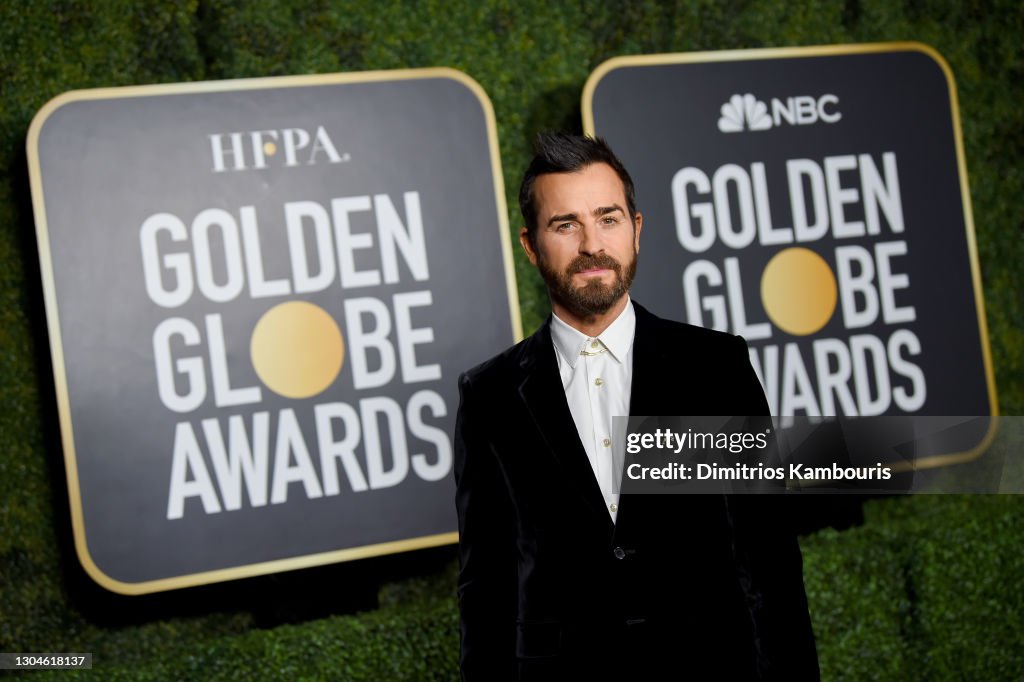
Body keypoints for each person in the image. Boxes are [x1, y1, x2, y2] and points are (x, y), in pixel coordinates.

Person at [453, 133, 819, 680]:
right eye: (565, 224)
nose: (591, 244)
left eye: (608, 218)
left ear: (636, 229)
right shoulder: (489, 395)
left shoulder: (715, 367)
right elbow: (486, 591)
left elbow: (767, 560)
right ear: (531, 246)